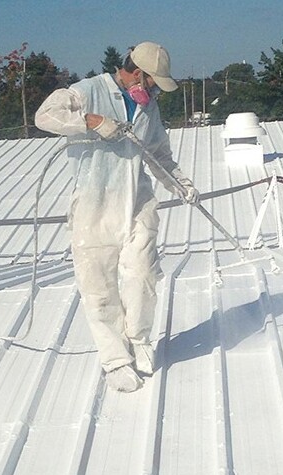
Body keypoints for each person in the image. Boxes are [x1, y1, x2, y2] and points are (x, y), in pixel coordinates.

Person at [35, 41, 199, 392]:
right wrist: (91, 121)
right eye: (153, 82)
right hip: (95, 207)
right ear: (137, 72)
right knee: (99, 288)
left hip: (137, 201)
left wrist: (180, 185)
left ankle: (138, 339)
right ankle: (115, 360)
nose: (154, 91)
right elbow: (44, 116)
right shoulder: (87, 91)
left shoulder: (147, 108)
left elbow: (157, 154)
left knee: (142, 275)